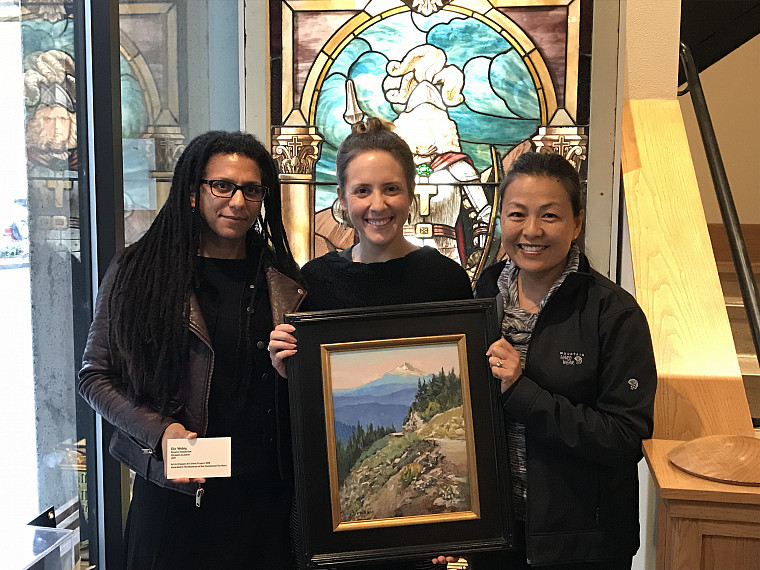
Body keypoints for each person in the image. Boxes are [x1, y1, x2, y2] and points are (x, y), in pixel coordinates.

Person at [78, 131, 304, 569]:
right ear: (191, 192)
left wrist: (291, 375)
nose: (237, 201)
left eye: (251, 189)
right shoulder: (139, 271)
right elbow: (94, 375)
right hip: (176, 497)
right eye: (222, 186)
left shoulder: (284, 279)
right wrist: (159, 431)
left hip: (266, 503)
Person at [434, 151, 656, 569]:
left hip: (582, 544)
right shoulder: (484, 294)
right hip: (497, 535)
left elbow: (625, 438)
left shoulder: (613, 314)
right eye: (517, 214)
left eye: (549, 216)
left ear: (577, 222)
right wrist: (452, 520)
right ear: (501, 217)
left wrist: (522, 391)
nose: (530, 231)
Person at [269, 117, 473, 569]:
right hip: (330, 516)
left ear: (411, 193)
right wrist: (286, 366)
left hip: (423, 530)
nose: (377, 204)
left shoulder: (446, 279)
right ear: (341, 198)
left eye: (391, 189)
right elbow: (300, 413)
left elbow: (471, 400)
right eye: (362, 190)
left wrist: (461, 517)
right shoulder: (314, 282)